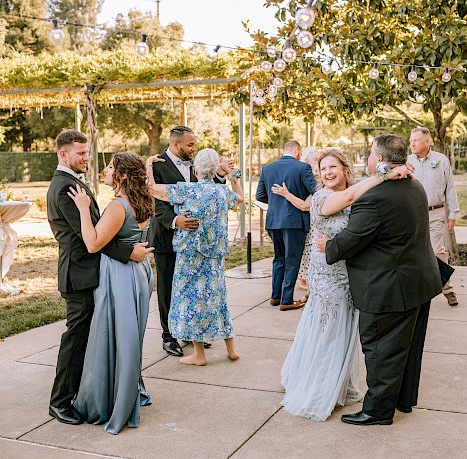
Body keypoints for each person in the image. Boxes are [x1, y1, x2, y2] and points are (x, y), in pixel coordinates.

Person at [316, 134, 443, 426]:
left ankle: (377, 411)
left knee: (379, 349)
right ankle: (400, 400)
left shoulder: (373, 199)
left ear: (381, 160)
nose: (369, 159)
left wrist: (329, 246)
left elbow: (353, 239)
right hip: (418, 281)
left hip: (388, 287)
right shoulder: (414, 185)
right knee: (405, 348)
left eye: (372, 154)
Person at [281, 149, 412, 421]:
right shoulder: (320, 198)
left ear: (344, 168)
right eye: (323, 168)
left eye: (333, 167)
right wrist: (383, 174)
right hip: (328, 275)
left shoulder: (357, 189)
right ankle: (318, 389)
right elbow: (350, 198)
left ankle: (340, 385)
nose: (328, 172)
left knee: (343, 329)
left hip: (349, 273)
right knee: (328, 329)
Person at [46, 131, 150, 426]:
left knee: (95, 338)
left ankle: (93, 391)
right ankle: (60, 401)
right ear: (63, 154)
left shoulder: (74, 182)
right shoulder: (64, 186)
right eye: (80, 154)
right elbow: (90, 237)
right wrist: (129, 253)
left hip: (93, 272)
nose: (86, 158)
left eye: (87, 152)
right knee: (76, 338)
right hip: (78, 274)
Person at [69, 152, 154, 434]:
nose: (104, 170)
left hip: (119, 276)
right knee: (128, 339)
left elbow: (93, 244)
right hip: (139, 274)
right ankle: (127, 390)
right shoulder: (143, 201)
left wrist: (83, 208)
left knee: (112, 336)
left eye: (110, 167)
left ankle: (114, 400)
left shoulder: (119, 206)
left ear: (123, 175)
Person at [147, 148, 244, 366]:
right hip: (214, 258)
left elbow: (152, 189)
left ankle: (199, 355)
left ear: (196, 169)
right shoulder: (221, 192)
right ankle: (231, 349)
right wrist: (232, 177)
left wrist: (148, 166)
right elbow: (239, 199)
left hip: (191, 257)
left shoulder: (187, 191)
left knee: (193, 301)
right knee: (217, 299)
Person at [256, 140, 317, 311]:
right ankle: (287, 300)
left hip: (273, 220)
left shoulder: (267, 168)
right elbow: (316, 190)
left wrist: (276, 202)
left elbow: (260, 196)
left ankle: (275, 297)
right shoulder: (302, 168)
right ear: (297, 151)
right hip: (294, 221)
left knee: (279, 259)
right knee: (292, 260)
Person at [409, 127, 460, 306]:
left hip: (435, 212)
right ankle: (417, 291)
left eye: (416, 140)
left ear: (427, 142)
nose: (412, 143)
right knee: (413, 253)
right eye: (411, 140)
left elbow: (450, 188)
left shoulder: (441, 160)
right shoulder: (407, 162)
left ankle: (447, 289)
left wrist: (453, 212)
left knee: (438, 252)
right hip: (413, 214)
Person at [273, 147, 321, 301]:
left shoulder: (319, 185)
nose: (315, 171)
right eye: (312, 166)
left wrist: (286, 194)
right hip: (308, 226)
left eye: (317, 166)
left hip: (316, 227)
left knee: (314, 260)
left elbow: (306, 206)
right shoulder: (307, 182)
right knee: (308, 261)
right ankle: (310, 292)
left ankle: (311, 293)